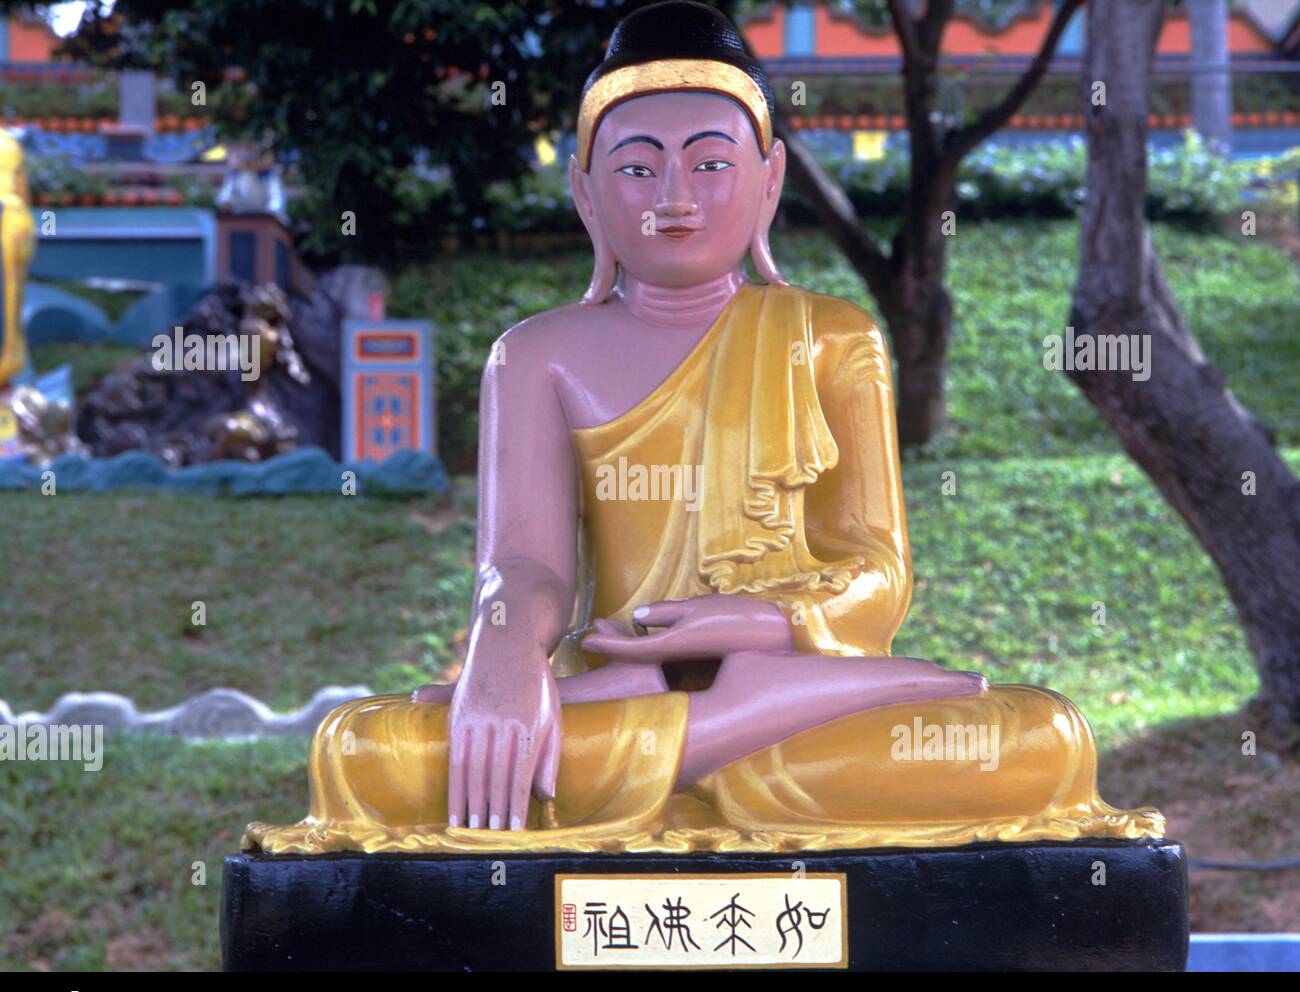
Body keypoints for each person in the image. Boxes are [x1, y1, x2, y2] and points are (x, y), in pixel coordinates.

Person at [244, 2, 1161, 855]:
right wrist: (502, 651)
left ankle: (724, 729)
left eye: (711, 162)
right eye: (637, 167)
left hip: (795, 702)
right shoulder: (535, 356)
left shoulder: (831, 338)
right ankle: (726, 733)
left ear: (768, 184)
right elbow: (524, 565)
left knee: (1040, 735)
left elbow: (880, 574)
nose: (674, 194)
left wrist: (765, 621)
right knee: (365, 751)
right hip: (620, 692)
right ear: (586, 193)